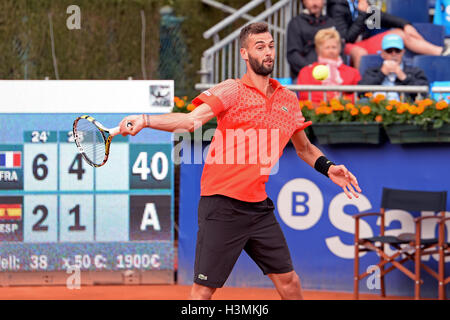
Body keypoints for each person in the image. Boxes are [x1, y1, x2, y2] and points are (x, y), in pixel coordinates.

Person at [118, 22, 361, 300]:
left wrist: (329, 168)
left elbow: (304, 149)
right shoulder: (232, 90)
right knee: (203, 291)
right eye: (260, 47)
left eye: (271, 46)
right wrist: (146, 120)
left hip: (258, 209)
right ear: (244, 54)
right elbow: (189, 121)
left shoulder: (288, 99)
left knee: (289, 282)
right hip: (222, 204)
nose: (268, 52)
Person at [327, 0, 450, 69]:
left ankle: (441, 52)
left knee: (399, 34)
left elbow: (381, 17)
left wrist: (405, 25)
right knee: (359, 52)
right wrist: (361, 13)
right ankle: (362, 92)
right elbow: (347, 38)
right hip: (345, 46)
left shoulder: (361, 3)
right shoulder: (336, 6)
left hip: (364, 42)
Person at [297, 28, 361, 104]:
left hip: (344, 111)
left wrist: (341, 101)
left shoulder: (352, 72)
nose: (331, 51)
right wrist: (332, 99)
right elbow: (305, 96)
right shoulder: (306, 71)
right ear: (318, 50)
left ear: (339, 49)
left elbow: (358, 95)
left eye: (334, 47)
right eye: (327, 47)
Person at [358, 33, 429, 101]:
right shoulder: (372, 71)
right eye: (389, 51)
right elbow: (360, 93)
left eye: (397, 51)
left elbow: (424, 94)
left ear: (403, 52)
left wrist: (404, 77)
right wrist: (381, 74)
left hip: (403, 110)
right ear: (382, 54)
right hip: (377, 109)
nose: (393, 54)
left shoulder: (415, 72)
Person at [287, 0, 339, 82]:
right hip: (305, 75)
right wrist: (310, 68)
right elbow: (293, 55)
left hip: (333, 73)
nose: (314, 2)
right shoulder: (295, 23)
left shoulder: (331, 23)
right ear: (303, 2)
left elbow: (340, 49)